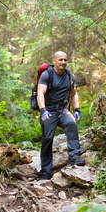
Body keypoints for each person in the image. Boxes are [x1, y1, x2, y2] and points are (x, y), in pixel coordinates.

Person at [37, 51, 85, 181]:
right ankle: (45, 172)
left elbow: (74, 94)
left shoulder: (70, 76)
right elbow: (40, 93)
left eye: (65, 59)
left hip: (62, 109)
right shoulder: (47, 75)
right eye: (60, 60)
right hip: (49, 110)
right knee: (47, 139)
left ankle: (74, 158)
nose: (63, 62)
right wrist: (43, 110)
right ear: (54, 61)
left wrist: (77, 109)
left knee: (71, 125)